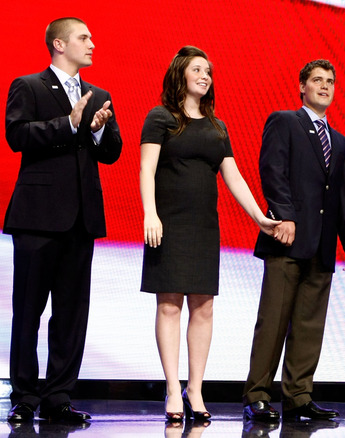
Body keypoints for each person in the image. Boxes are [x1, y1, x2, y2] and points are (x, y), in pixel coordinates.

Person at [139, 46, 280, 422]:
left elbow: (234, 177)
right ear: (180, 74)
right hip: (167, 224)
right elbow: (146, 169)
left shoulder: (217, 127)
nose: (205, 76)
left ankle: (195, 389)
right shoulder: (161, 117)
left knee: (203, 307)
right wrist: (150, 214)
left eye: (209, 71)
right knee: (169, 305)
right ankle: (172, 389)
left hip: (203, 227)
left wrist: (259, 217)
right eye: (198, 69)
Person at [3, 17, 122, 423]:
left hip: (81, 219)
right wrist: (69, 124)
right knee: (29, 309)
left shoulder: (99, 94)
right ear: (59, 44)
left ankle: (58, 397)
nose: (92, 43)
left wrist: (98, 131)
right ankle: (24, 395)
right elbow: (17, 135)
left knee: (71, 311)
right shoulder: (29, 86)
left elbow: (111, 153)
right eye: (83, 37)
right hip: (37, 217)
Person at [243, 59, 345, 422]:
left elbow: (343, 195)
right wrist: (285, 215)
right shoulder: (285, 121)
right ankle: (257, 395)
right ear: (302, 87)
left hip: (322, 246)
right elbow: (272, 170)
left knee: (310, 326)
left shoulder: (340, 142)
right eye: (317, 80)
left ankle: (298, 398)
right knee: (274, 321)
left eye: (330, 81)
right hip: (287, 239)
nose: (324, 86)